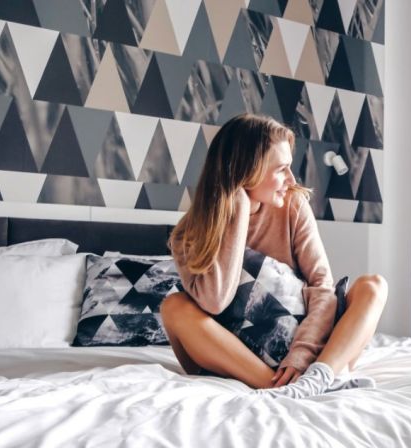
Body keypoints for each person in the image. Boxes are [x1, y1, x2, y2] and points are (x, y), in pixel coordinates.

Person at [160, 113, 388, 399]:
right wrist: (238, 210)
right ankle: (279, 387)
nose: (291, 179)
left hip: (310, 355)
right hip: (241, 358)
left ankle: (316, 380)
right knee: (174, 307)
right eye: (281, 169)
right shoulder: (188, 234)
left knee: (373, 285)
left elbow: (322, 288)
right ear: (245, 171)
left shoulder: (293, 206)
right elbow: (214, 302)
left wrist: (302, 357)